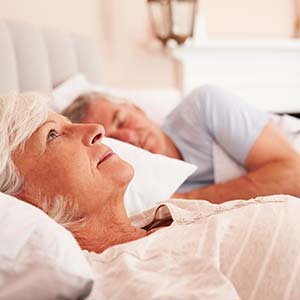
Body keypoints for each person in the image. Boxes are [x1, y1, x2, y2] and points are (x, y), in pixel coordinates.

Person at [1, 92, 300, 299]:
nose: (97, 130)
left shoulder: (160, 214)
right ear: (22, 198)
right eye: (52, 134)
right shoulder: (133, 275)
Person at [62, 85, 300, 203]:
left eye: (122, 120)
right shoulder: (139, 193)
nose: (130, 138)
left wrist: (186, 201)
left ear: (137, 108)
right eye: (115, 141)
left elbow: (294, 174)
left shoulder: (203, 106)